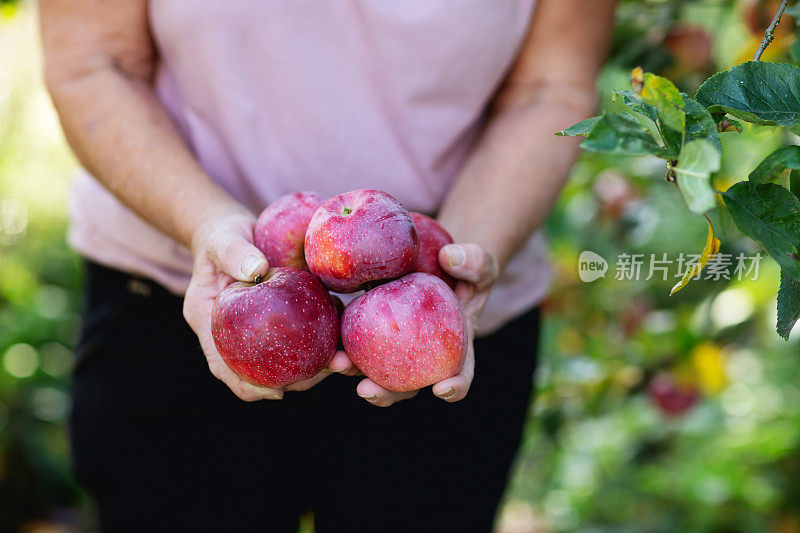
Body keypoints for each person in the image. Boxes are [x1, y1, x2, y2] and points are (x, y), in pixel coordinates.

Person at [40, 0, 615, 531]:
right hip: (189, 301)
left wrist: (466, 249)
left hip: (443, 317)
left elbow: (550, 88)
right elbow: (96, 62)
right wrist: (205, 224)